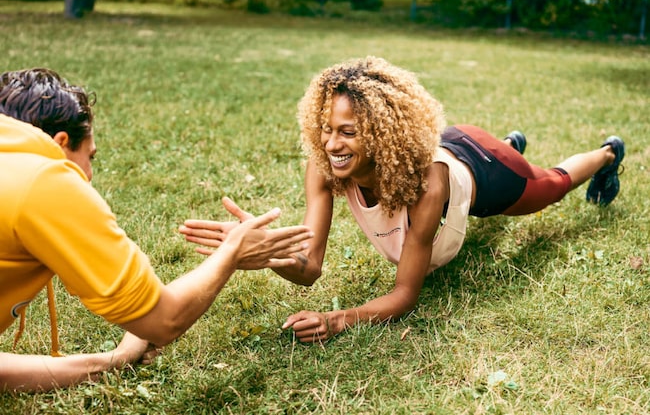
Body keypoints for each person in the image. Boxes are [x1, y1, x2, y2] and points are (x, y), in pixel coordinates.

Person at [179, 56, 625, 344]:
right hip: (448, 153)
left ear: (382, 134)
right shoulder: (323, 163)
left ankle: (605, 153)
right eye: (327, 130)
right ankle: (511, 141)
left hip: (482, 168)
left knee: (549, 187)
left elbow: (407, 293)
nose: (332, 144)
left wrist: (338, 320)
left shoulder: (428, 185)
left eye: (348, 132)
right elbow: (310, 268)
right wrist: (258, 252)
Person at [0, 68, 313, 392]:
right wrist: (232, 251)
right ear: (61, 143)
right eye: (89, 157)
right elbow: (163, 320)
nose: (89, 175)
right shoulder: (45, 181)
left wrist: (112, 362)